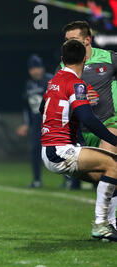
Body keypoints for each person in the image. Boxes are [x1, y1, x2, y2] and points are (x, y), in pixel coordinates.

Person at [40, 39, 117, 241]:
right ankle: (101, 225)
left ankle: (111, 225)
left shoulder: (54, 80)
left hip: (50, 149)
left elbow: (43, 108)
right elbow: (87, 118)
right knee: (114, 164)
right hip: (60, 150)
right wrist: (113, 140)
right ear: (85, 59)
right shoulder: (77, 83)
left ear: (63, 60)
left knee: (107, 177)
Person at [60, 20, 117, 226]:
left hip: (110, 122)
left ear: (87, 40)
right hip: (83, 130)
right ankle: (108, 222)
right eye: (66, 41)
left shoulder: (109, 58)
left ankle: (106, 223)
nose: (68, 45)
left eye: (73, 40)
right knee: (102, 176)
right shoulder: (65, 65)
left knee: (112, 164)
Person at [16, 54, 53, 188]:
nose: (35, 71)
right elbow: (26, 107)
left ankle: (70, 180)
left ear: (42, 68)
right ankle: (37, 180)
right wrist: (26, 124)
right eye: (32, 68)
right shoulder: (29, 84)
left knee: (58, 151)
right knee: (35, 150)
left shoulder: (50, 80)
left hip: (51, 122)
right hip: (36, 124)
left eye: (37, 67)